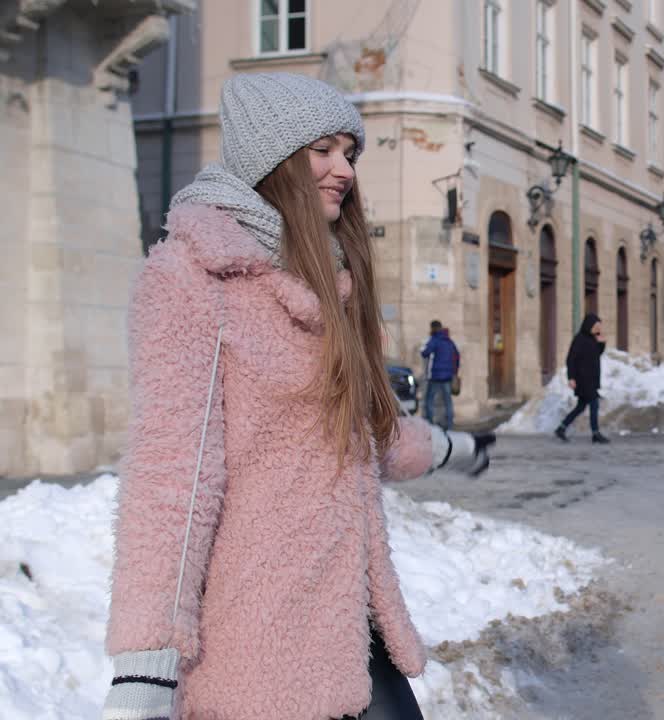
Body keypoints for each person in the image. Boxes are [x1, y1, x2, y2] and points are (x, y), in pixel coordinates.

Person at [102, 73, 495, 720]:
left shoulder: (332, 281)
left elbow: (370, 437)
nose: (344, 169)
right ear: (273, 158)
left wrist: (457, 448)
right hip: (257, 639)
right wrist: (146, 662)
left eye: (350, 152)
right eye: (324, 150)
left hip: (350, 621)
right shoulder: (192, 279)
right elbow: (172, 474)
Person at [555, 313, 610, 444]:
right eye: (596, 326)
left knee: (581, 407)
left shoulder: (593, 339)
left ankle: (561, 428)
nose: (598, 329)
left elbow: (597, 354)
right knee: (594, 404)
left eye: (599, 326)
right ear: (589, 325)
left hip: (592, 378)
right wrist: (571, 378)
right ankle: (595, 433)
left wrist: (602, 344)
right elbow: (571, 359)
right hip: (582, 379)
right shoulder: (579, 339)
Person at [420, 319, 460, 429]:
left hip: (436, 376)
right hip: (447, 376)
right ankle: (450, 424)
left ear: (433, 328)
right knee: (448, 401)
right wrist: (454, 372)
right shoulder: (449, 341)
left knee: (429, 399)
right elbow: (457, 356)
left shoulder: (435, 339)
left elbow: (425, 353)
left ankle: (430, 423)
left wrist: (423, 349)